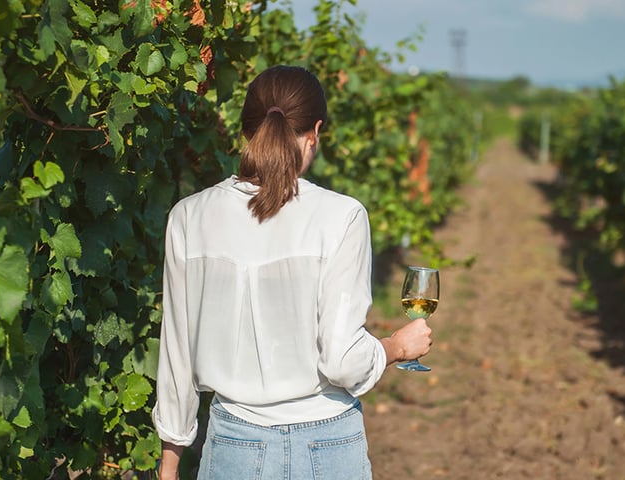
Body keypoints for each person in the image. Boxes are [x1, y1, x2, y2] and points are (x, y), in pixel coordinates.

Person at [152, 65, 433, 480]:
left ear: (247, 129)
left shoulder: (189, 218)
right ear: (315, 131)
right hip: (329, 444)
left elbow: (176, 354)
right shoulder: (342, 216)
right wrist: (396, 346)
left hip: (234, 444)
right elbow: (342, 361)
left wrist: (168, 467)